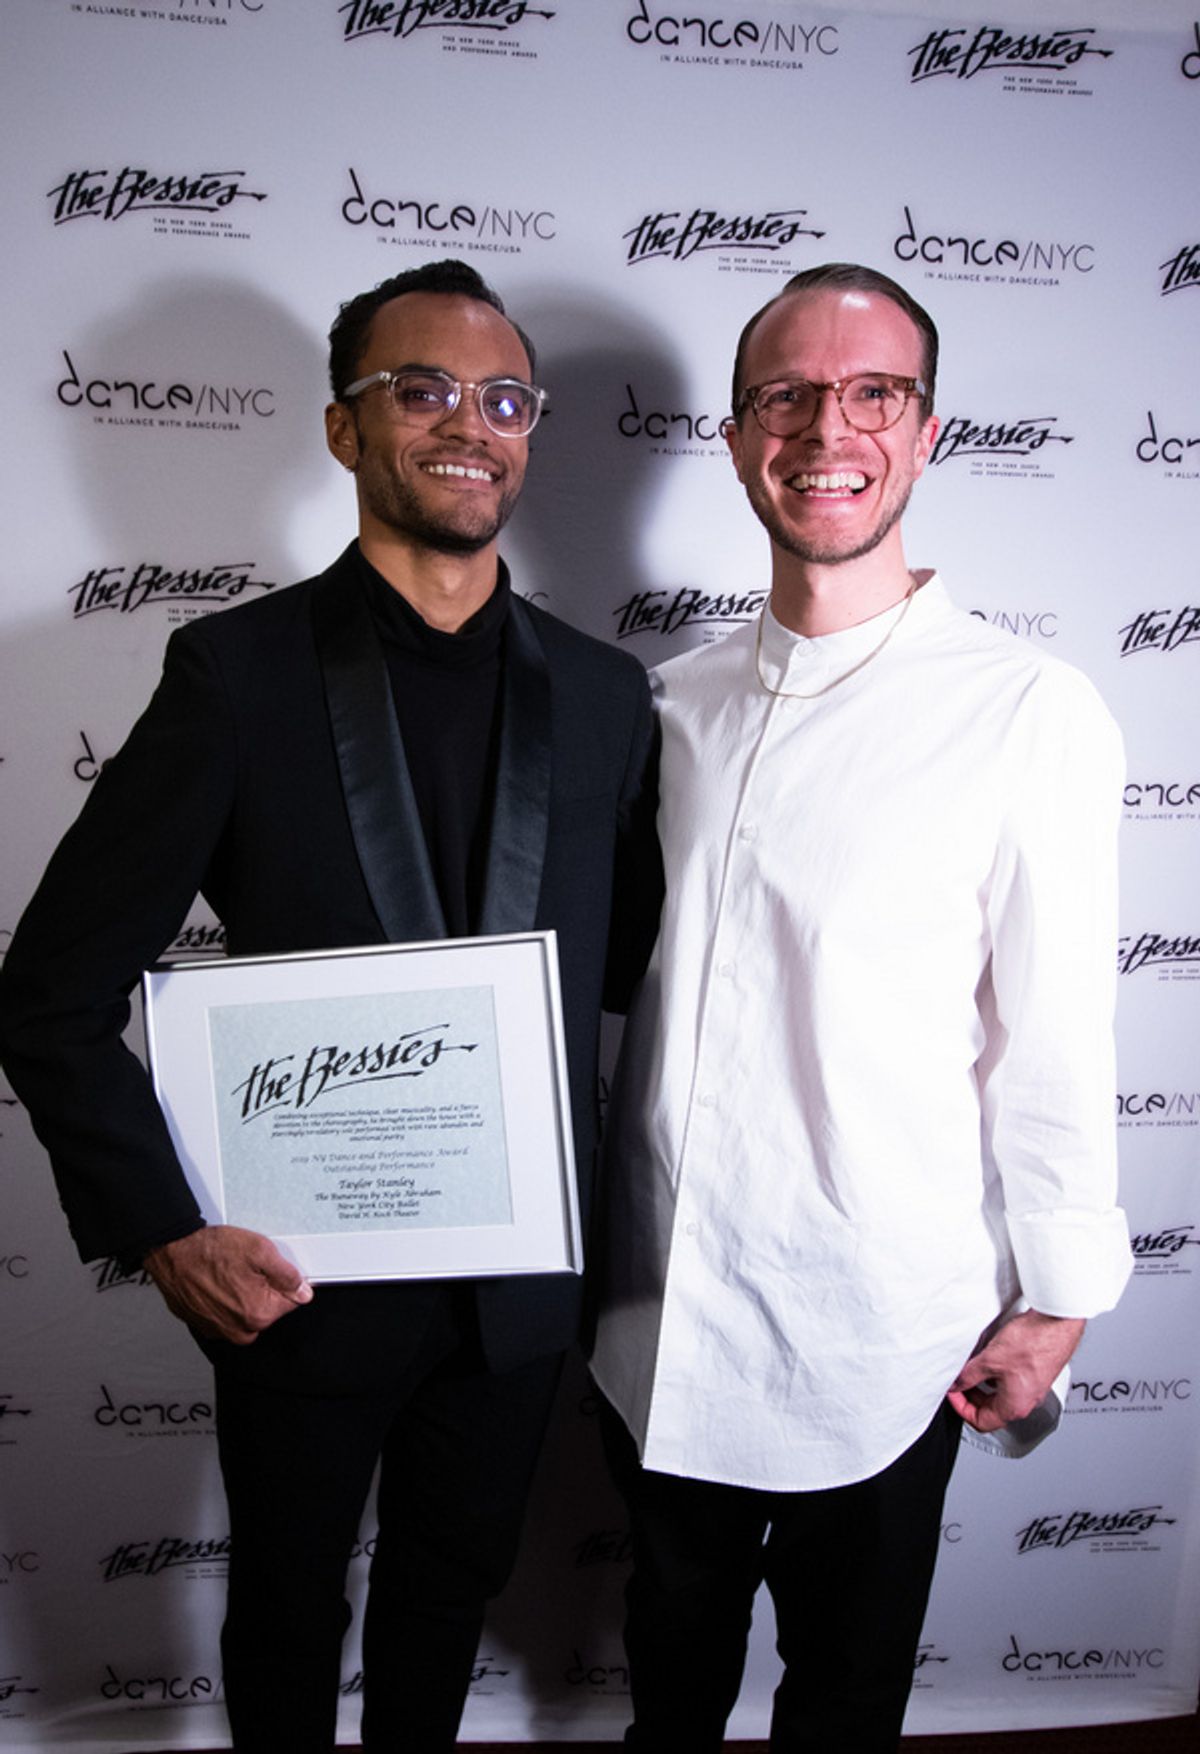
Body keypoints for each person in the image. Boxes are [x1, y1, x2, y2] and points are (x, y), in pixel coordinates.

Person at [0, 259, 659, 1752]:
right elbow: (50, 992)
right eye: (422, 390)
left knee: (448, 1599)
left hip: (516, 1287)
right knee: (288, 1614)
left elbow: (638, 969)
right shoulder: (235, 674)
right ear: (344, 429)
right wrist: (165, 1228)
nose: (469, 424)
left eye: (504, 399)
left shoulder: (608, 695)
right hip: (296, 1279)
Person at [590, 262, 1131, 1751]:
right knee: (669, 1689)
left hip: (886, 1326)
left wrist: (1061, 1294)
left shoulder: (1027, 709)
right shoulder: (668, 703)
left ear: (928, 431)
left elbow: (1056, 1032)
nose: (829, 427)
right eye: (788, 394)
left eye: (874, 392)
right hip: (659, 1315)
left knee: (844, 1703)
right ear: (737, 435)